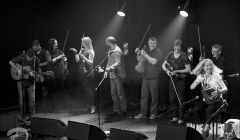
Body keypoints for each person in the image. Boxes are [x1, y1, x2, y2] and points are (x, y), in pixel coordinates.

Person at [190, 58, 228, 138]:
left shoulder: (216, 76)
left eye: (211, 65)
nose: (209, 67)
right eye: (207, 65)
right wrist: (198, 81)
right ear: (203, 67)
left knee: (210, 109)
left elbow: (225, 89)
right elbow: (192, 87)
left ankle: (206, 128)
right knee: (196, 110)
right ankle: (206, 124)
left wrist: (219, 92)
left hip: (217, 100)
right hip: (206, 100)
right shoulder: (201, 76)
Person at [162, 39, 191, 124]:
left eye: (179, 46)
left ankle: (181, 118)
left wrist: (178, 71)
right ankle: (175, 117)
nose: (177, 48)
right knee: (172, 99)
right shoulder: (170, 54)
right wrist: (167, 71)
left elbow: (188, 69)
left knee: (180, 99)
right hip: (173, 79)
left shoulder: (184, 55)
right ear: (173, 46)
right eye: (175, 46)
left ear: (180, 47)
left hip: (182, 80)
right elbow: (163, 65)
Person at [134, 37, 162, 120]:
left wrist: (145, 54)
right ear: (148, 43)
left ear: (156, 43)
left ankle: (153, 114)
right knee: (143, 97)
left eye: (154, 43)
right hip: (145, 77)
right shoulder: (145, 49)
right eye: (151, 43)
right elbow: (139, 59)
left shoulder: (158, 51)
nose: (152, 45)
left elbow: (154, 62)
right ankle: (143, 113)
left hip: (154, 77)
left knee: (154, 97)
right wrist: (138, 53)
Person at [9, 48, 40, 122]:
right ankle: (22, 115)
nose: (29, 59)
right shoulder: (22, 56)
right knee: (21, 99)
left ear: (33, 56)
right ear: (27, 55)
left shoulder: (37, 60)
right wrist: (18, 70)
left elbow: (37, 71)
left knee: (32, 99)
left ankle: (32, 116)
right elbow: (10, 62)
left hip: (30, 81)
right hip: (21, 80)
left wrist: (33, 74)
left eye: (31, 58)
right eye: (28, 57)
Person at [70, 36, 96, 113]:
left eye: (82, 42)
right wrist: (76, 53)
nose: (81, 43)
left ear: (86, 43)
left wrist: (84, 57)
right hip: (82, 72)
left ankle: (92, 106)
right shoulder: (82, 49)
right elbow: (77, 61)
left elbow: (91, 63)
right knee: (84, 90)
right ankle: (87, 105)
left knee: (89, 90)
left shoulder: (91, 51)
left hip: (89, 72)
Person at [104, 36, 127, 115]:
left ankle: (123, 109)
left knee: (120, 93)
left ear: (110, 42)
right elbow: (109, 61)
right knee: (113, 93)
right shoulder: (110, 50)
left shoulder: (117, 51)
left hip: (118, 74)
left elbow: (118, 63)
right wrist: (106, 71)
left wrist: (109, 68)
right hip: (112, 74)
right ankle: (116, 109)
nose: (105, 42)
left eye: (106, 41)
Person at [31, 39, 52, 111]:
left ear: (38, 45)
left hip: (45, 74)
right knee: (38, 91)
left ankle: (46, 107)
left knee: (44, 91)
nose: (33, 49)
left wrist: (39, 65)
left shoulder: (45, 52)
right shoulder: (35, 53)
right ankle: (39, 107)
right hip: (38, 75)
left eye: (34, 48)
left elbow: (49, 61)